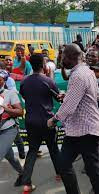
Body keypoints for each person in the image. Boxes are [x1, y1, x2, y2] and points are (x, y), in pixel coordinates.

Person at [47, 44, 99, 194]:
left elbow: (69, 107)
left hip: (86, 130)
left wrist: (54, 120)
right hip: (77, 130)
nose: (61, 59)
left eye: (63, 56)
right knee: (64, 164)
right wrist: (68, 96)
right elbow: (97, 97)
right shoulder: (87, 71)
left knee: (92, 169)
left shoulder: (79, 75)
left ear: (71, 56)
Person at [19, 54, 62, 192]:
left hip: (31, 121)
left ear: (30, 65)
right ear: (43, 65)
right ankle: (60, 174)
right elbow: (58, 97)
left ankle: (26, 184)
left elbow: (24, 96)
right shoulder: (48, 81)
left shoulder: (25, 81)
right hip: (47, 121)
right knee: (53, 149)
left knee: (32, 151)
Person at [0, 69, 24, 187]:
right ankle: (23, 174)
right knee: (9, 156)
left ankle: (21, 147)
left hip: (9, 128)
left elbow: (20, 112)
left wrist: (6, 109)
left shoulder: (10, 93)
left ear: (3, 81)